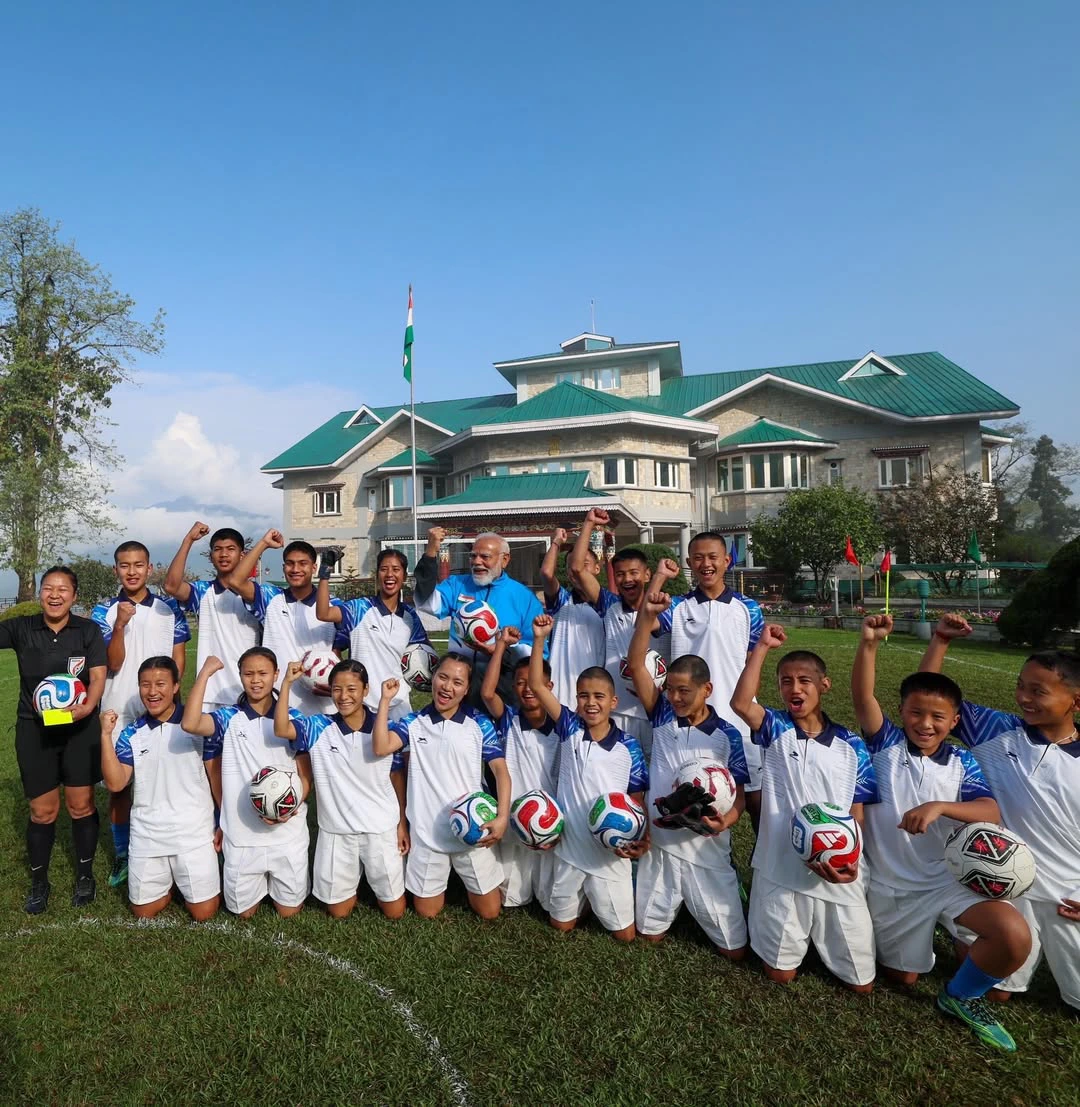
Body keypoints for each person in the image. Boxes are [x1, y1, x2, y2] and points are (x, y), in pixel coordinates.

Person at [853, 614, 1031, 1051]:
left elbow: (990, 810)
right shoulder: (886, 746)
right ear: (901, 713)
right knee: (904, 977)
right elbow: (862, 697)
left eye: (937, 717)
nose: (925, 724)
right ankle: (939, 943)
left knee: (1012, 936)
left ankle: (960, 997)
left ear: (954, 723)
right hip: (894, 888)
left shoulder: (961, 763)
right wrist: (870, 645)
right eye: (915, 713)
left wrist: (940, 807)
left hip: (946, 881)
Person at [921, 613, 1080, 1013]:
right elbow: (930, 695)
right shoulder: (995, 729)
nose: (1024, 698)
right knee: (997, 990)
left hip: (1069, 896)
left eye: (1038, 691)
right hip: (1005, 885)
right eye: (1021, 687)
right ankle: (962, 930)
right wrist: (940, 641)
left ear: (1075, 701)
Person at [730, 624, 878, 993]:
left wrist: (849, 859)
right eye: (786, 681)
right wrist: (762, 647)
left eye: (804, 681)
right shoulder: (776, 727)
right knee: (780, 974)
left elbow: (857, 812)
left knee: (862, 985)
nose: (794, 689)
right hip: (780, 868)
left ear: (824, 686)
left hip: (837, 870)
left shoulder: (852, 744)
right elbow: (740, 704)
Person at [626, 591, 749, 957]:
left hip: (706, 849)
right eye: (671, 690)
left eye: (685, 691)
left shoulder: (728, 734)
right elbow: (636, 665)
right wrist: (646, 619)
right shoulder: (662, 715)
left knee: (735, 950)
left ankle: (721, 897)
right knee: (648, 936)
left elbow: (740, 793)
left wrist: (723, 823)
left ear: (707, 690)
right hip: (660, 848)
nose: (676, 698)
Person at [528, 614, 649, 942]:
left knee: (625, 936)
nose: (590, 703)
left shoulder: (630, 748)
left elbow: (637, 799)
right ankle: (580, 903)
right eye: (583, 696)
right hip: (569, 852)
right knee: (561, 927)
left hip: (609, 855)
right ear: (576, 699)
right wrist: (540, 638)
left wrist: (642, 835)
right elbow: (538, 685)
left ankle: (605, 897)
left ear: (613, 702)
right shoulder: (570, 727)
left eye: (598, 697)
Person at [0, 566, 108, 913]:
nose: (55, 594)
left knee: (81, 805)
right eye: (48, 588)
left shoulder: (88, 631)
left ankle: (85, 875)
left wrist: (88, 706)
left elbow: (97, 674)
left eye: (63, 589)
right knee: (42, 812)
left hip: (79, 728)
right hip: (35, 728)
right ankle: (39, 881)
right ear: (40, 593)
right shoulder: (20, 627)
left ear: (74, 596)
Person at [373, 654, 510, 920]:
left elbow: (501, 772)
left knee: (491, 912)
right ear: (432, 678)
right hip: (428, 835)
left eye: (457, 682)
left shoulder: (480, 724)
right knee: (427, 912)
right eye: (443, 677)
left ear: (467, 689)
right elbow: (380, 747)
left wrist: (502, 817)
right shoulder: (413, 722)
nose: (447, 687)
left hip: (473, 831)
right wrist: (385, 701)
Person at [274, 658, 409, 920]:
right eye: (337, 689)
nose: (343, 696)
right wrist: (287, 683)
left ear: (366, 690)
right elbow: (281, 728)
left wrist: (401, 823)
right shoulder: (319, 726)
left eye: (351, 689)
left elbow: (396, 778)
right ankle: (354, 885)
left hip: (379, 829)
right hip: (337, 831)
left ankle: (373, 883)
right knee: (338, 912)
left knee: (395, 912)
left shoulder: (387, 729)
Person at [183, 649, 313, 919]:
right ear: (240, 676)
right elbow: (191, 723)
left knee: (289, 912)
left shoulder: (294, 718)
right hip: (242, 836)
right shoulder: (228, 717)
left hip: (287, 834)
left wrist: (289, 808)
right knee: (243, 913)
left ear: (276, 675)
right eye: (248, 674)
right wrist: (205, 673)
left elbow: (305, 776)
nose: (256, 680)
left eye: (263, 673)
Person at [92, 540, 191, 890]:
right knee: (119, 787)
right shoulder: (102, 611)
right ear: (116, 569)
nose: (131, 571)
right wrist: (119, 625)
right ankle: (123, 852)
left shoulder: (170, 610)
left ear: (150, 569)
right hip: (118, 707)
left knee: (167, 778)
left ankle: (173, 846)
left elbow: (178, 660)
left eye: (138, 565)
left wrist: (175, 701)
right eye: (124, 565)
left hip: (162, 708)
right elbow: (113, 663)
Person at [652, 531, 765, 827]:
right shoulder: (677, 606)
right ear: (689, 562)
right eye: (698, 558)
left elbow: (753, 662)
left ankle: (760, 867)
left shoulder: (748, 608)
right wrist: (660, 578)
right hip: (690, 720)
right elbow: (647, 620)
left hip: (738, 718)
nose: (706, 564)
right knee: (690, 792)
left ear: (726, 561)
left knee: (755, 800)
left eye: (713, 557)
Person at [99, 657, 219, 922]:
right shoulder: (132, 733)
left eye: (161, 684)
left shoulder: (198, 726)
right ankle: (169, 881)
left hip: (193, 834)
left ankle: (181, 877)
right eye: (145, 685)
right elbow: (116, 783)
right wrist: (106, 736)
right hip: (147, 835)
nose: (152, 692)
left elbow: (216, 778)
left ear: (176, 686)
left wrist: (223, 823)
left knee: (204, 913)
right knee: (144, 912)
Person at [568, 508, 670, 755]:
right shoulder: (609, 605)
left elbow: (644, 622)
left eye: (634, 573)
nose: (627, 579)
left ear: (646, 574)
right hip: (617, 709)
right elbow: (578, 569)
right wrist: (589, 524)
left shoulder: (666, 608)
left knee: (656, 776)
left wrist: (660, 579)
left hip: (653, 708)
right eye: (621, 574)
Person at [481, 627, 561, 911]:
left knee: (554, 901)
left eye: (534, 682)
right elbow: (488, 692)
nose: (527, 689)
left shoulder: (565, 724)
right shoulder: (509, 717)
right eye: (519, 683)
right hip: (513, 823)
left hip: (553, 825)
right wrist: (501, 644)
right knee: (512, 899)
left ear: (548, 686)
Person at [413, 526, 543, 701]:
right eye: (473, 556)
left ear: (504, 560)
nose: (476, 561)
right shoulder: (457, 584)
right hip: (459, 686)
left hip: (502, 687)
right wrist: (430, 554)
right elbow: (425, 602)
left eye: (485, 557)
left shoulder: (524, 598)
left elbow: (536, 653)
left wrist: (499, 651)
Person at [227, 529, 348, 715]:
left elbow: (337, 653)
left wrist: (335, 682)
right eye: (290, 564)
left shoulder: (332, 605)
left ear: (314, 568)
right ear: (283, 568)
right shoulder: (271, 599)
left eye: (303, 564)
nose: (296, 569)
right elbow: (235, 581)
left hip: (321, 707)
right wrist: (264, 543)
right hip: (278, 703)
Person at [315, 546, 430, 722]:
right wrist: (325, 573)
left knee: (402, 750)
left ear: (405, 577)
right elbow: (323, 613)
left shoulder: (410, 617)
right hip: (363, 706)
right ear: (377, 575)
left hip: (399, 704)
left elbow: (426, 654)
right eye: (384, 569)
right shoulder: (359, 608)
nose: (390, 574)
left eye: (396, 569)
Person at [163, 522, 262, 711]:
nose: (224, 554)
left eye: (230, 549)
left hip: (250, 692)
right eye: (218, 549)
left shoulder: (257, 594)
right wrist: (188, 540)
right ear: (211, 556)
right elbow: (172, 586)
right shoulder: (203, 591)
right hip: (210, 694)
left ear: (242, 555)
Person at [539, 526, 605, 705]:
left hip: (596, 694)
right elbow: (546, 573)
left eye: (584, 564)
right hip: (561, 694)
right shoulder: (562, 601)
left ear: (597, 568)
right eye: (571, 567)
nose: (576, 571)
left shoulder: (608, 605)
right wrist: (556, 543)